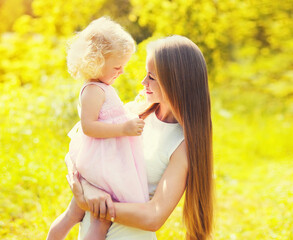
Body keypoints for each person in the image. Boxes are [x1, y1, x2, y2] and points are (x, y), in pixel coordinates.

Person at [68, 35, 214, 240]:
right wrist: (88, 189)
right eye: (146, 74)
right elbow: (80, 152)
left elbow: (154, 216)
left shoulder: (182, 145)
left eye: (152, 77)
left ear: (176, 83)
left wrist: (91, 205)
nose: (143, 82)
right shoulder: (130, 116)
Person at [46, 17, 149, 240]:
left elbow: (112, 115)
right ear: (96, 61)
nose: (121, 71)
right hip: (100, 164)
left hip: (103, 160)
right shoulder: (93, 90)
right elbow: (89, 127)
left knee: (75, 214)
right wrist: (124, 128)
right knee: (98, 217)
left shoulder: (103, 88)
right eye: (117, 66)